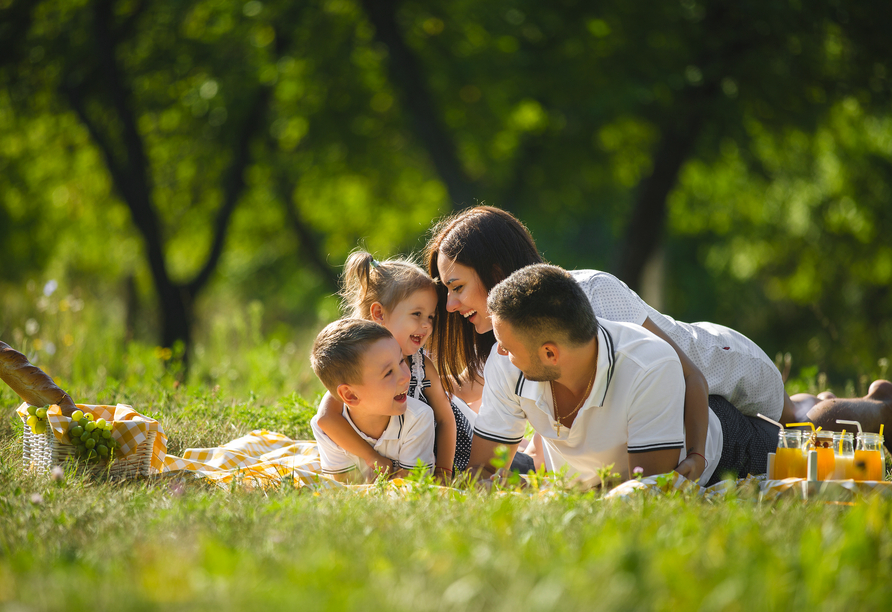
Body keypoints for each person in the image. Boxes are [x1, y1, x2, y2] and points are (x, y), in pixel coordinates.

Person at [425, 206, 891, 481]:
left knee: (801, 423)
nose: (450, 304)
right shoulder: (515, 340)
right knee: (795, 425)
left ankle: (877, 408)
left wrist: (696, 457)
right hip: (682, 390)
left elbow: (683, 370)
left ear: (494, 269)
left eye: (457, 286)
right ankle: (833, 401)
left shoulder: (589, 294)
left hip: (718, 365)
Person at [470, 264, 779, 487]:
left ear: (550, 354)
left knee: (806, 443)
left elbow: (645, 491)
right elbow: (481, 472)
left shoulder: (648, 365)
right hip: (592, 479)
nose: (498, 353)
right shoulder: (508, 365)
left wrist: (556, 494)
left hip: (728, 449)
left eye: (506, 346)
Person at [314, 251, 472, 479]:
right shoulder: (356, 362)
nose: (426, 325)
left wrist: (444, 471)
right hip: (399, 455)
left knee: (517, 465)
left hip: (452, 449)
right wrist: (371, 456)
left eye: (430, 317)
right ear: (379, 313)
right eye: (417, 313)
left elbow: (445, 419)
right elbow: (327, 418)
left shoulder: (421, 366)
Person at [309, 318, 435, 483]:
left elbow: (410, 486)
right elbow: (346, 488)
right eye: (389, 372)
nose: (405, 377)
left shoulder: (418, 418)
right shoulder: (327, 432)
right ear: (350, 395)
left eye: (401, 361)